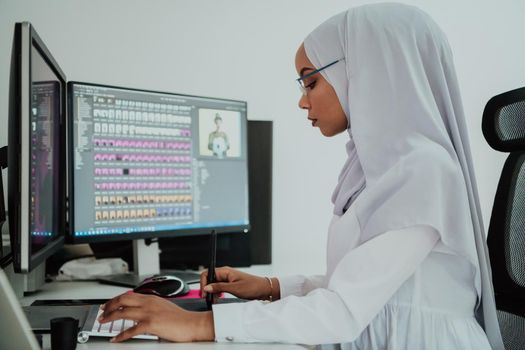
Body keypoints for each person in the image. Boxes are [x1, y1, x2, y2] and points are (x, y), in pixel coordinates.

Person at [99, 3, 504, 349]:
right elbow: (369, 287)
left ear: (369, 72)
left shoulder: (425, 170)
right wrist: (272, 287)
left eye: (311, 81)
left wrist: (198, 324)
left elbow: (344, 311)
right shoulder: (378, 167)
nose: (301, 99)